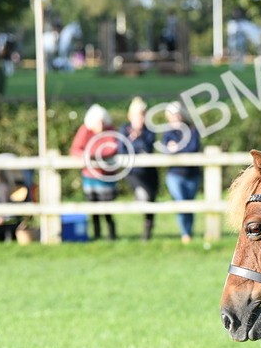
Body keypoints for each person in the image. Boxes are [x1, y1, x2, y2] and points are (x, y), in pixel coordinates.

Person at [70, 104, 121, 241]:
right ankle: (96, 234)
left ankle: (111, 234)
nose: (100, 125)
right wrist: (86, 155)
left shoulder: (110, 131)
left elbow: (112, 148)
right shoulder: (85, 131)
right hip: (90, 176)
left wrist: (93, 154)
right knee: (93, 206)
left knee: (107, 207)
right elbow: (75, 149)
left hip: (106, 176)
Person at [161, 101, 201, 243]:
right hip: (175, 175)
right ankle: (185, 234)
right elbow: (165, 150)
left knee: (189, 204)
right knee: (181, 202)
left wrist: (176, 148)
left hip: (192, 175)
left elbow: (193, 148)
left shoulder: (192, 130)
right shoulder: (168, 132)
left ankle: (188, 232)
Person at [121, 97, 159, 241]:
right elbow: (122, 149)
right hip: (133, 173)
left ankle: (147, 234)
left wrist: (138, 138)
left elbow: (147, 148)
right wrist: (134, 139)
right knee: (144, 197)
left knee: (151, 201)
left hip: (149, 173)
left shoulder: (149, 131)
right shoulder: (124, 130)